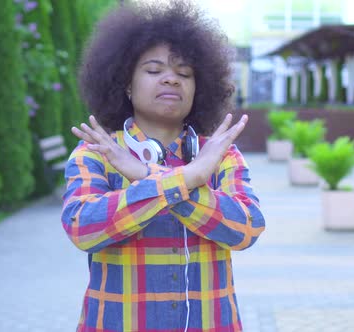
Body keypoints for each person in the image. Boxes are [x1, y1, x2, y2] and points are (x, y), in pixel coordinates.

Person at [61, 1, 265, 331]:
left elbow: (246, 229)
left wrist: (146, 176)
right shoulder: (98, 151)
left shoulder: (220, 153)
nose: (171, 79)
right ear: (126, 83)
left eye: (183, 73)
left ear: (199, 87)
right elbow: (83, 228)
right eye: (154, 70)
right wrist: (190, 178)